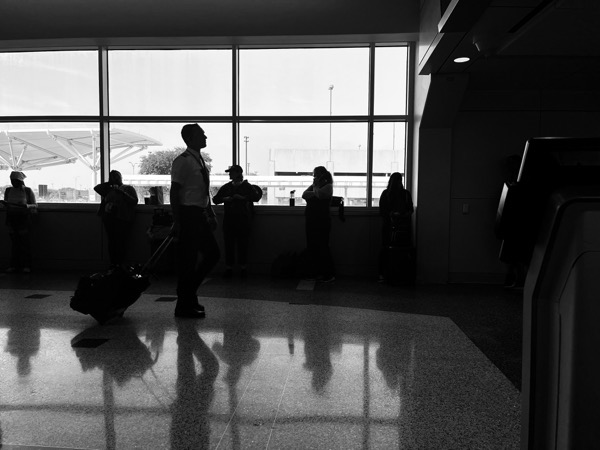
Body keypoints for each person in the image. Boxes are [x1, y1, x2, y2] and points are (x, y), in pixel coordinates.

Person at [170, 124, 220, 319]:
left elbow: (202, 191)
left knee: (211, 255)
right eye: (201, 134)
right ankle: (185, 303)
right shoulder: (182, 161)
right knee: (188, 262)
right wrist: (177, 220)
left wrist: (210, 212)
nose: (205, 136)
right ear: (190, 138)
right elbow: (175, 192)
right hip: (188, 214)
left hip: (198, 214)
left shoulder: (198, 160)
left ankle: (188, 297)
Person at [212, 164, 263, 278]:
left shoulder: (245, 186)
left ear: (238, 173)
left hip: (241, 220)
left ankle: (240, 268)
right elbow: (215, 199)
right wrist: (225, 199)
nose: (229, 174)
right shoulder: (229, 187)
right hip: (233, 220)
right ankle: (233, 268)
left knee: (241, 245)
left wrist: (242, 198)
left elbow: (256, 197)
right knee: (230, 245)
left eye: (231, 172)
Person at [94, 170, 138, 269]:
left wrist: (122, 193)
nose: (114, 179)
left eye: (116, 177)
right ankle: (114, 263)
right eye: (112, 177)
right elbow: (96, 188)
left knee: (121, 241)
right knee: (112, 241)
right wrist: (110, 183)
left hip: (123, 219)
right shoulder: (108, 190)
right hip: (109, 218)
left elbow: (134, 201)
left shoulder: (128, 188)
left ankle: (120, 264)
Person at [378, 172, 414, 282]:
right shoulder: (405, 194)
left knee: (386, 249)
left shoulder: (386, 194)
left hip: (389, 226)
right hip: (403, 227)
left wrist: (392, 214)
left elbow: (382, 211)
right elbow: (410, 210)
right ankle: (400, 275)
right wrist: (402, 215)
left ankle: (384, 274)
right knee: (400, 250)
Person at [302, 166, 335, 282]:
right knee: (312, 245)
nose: (314, 177)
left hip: (322, 221)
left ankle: (328, 273)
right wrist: (314, 191)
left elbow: (320, 194)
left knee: (323, 246)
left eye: (315, 175)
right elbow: (304, 195)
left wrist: (314, 190)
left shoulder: (328, 187)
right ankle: (314, 272)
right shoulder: (314, 187)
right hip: (311, 219)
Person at [1, 171, 37, 273]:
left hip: (23, 219)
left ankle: (26, 265)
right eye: (12, 180)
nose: (13, 183)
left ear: (20, 181)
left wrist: (26, 206)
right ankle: (14, 265)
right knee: (14, 243)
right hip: (12, 218)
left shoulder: (27, 191)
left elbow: (35, 204)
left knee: (24, 243)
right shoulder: (8, 190)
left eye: (15, 181)